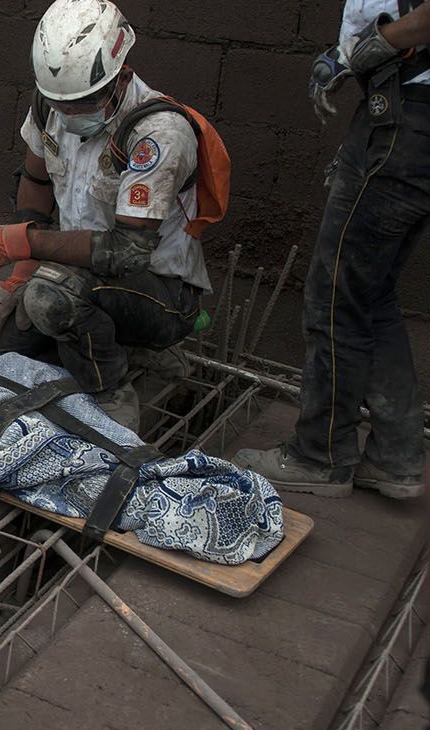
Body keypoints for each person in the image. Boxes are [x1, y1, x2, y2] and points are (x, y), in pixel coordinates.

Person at [0, 0, 222, 431]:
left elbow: (128, 251)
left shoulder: (157, 134)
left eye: (83, 102)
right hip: (76, 274)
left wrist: (24, 244)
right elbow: (37, 181)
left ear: (120, 77)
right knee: (2, 334)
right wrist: (22, 270)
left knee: (50, 298)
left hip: (159, 293)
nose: (70, 114)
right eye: (61, 103)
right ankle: (125, 346)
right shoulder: (51, 106)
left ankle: (111, 389)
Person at [234, 3, 430, 499]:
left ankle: (320, 455)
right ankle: (396, 456)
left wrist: (366, 47)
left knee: (335, 298)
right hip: (408, 121)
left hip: (403, 123)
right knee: (372, 294)